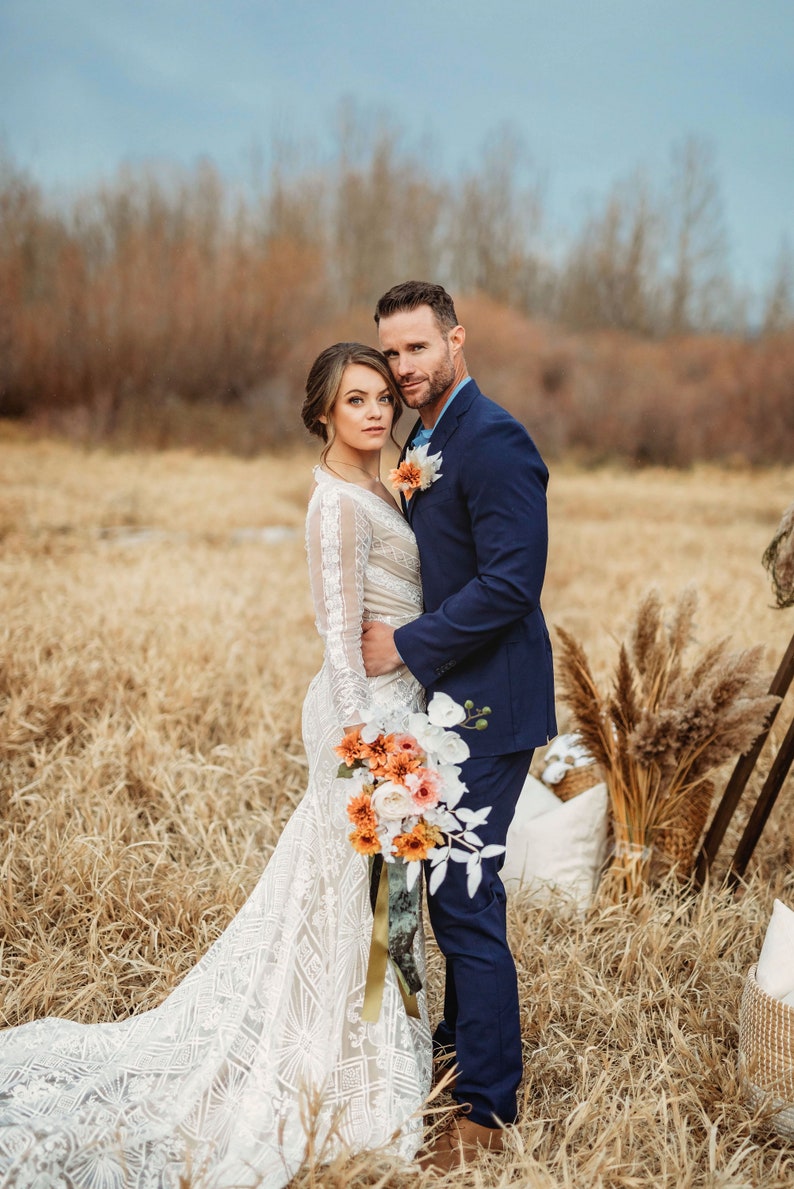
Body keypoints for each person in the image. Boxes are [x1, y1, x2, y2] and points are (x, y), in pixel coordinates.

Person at [0, 343, 431, 1186]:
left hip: (404, 711)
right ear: (322, 415)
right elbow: (339, 640)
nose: (377, 412)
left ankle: (379, 1046)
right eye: (356, 401)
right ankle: (340, 1069)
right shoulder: (335, 507)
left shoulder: (387, 483)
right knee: (355, 893)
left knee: (374, 897)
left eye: (383, 397)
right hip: (367, 724)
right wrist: (368, 753)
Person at [362, 281, 557, 1172]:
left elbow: (514, 584)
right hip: (448, 709)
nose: (403, 368)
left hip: (492, 707)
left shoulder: (496, 438)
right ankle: (455, 1055)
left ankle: (484, 1111)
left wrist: (403, 644)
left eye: (417, 349)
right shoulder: (426, 439)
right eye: (391, 353)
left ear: (455, 341)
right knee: (452, 893)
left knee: (463, 901)